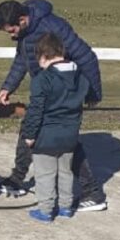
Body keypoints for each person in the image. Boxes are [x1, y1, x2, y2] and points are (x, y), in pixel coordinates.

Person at [0, 0, 107, 212]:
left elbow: (86, 57)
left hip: (63, 91)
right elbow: (22, 60)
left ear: (23, 19)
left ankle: (93, 192)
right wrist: (8, 87)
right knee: (31, 129)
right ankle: (17, 180)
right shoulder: (25, 34)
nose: (12, 35)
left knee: (65, 142)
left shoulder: (53, 27)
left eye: (12, 30)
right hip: (46, 88)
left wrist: (93, 93)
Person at [21, 32, 88, 223]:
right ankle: (66, 207)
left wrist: (29, 134)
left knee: (45, 174)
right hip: (70, 135)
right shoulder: (80, 77)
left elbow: (35, 111)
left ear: (44, 56)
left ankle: (46, 210)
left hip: (46, 136)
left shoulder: (42, 79)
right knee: (66, 172)